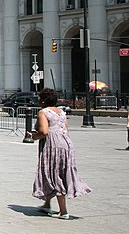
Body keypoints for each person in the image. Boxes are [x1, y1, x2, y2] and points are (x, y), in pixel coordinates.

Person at [30, 87, 91, 220]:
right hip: (66, 144)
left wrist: (34, 137)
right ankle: (46, 204)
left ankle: (63, 211)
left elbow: (44, 132)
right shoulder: (61, 112)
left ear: (43, 101)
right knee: (60, 172)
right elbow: (65, 130)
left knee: (54, 174)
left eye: (40, 99)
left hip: (52, 145)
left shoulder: (43, 112)